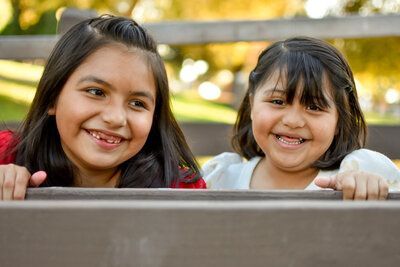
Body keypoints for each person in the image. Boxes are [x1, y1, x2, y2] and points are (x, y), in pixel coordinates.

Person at [0, 15, 206, 200]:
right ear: (52, 97)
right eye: (96, 92)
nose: (115, 118)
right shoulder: (6, 156)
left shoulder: (180, 190)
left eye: (137, 103)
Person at [203, 36, 400, 200]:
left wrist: (372, 190)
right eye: (278, 102)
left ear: (339, 120)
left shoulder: (357, 175)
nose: (293, 121)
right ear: (252, 105)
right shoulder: (221, 178)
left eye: (314, 107)